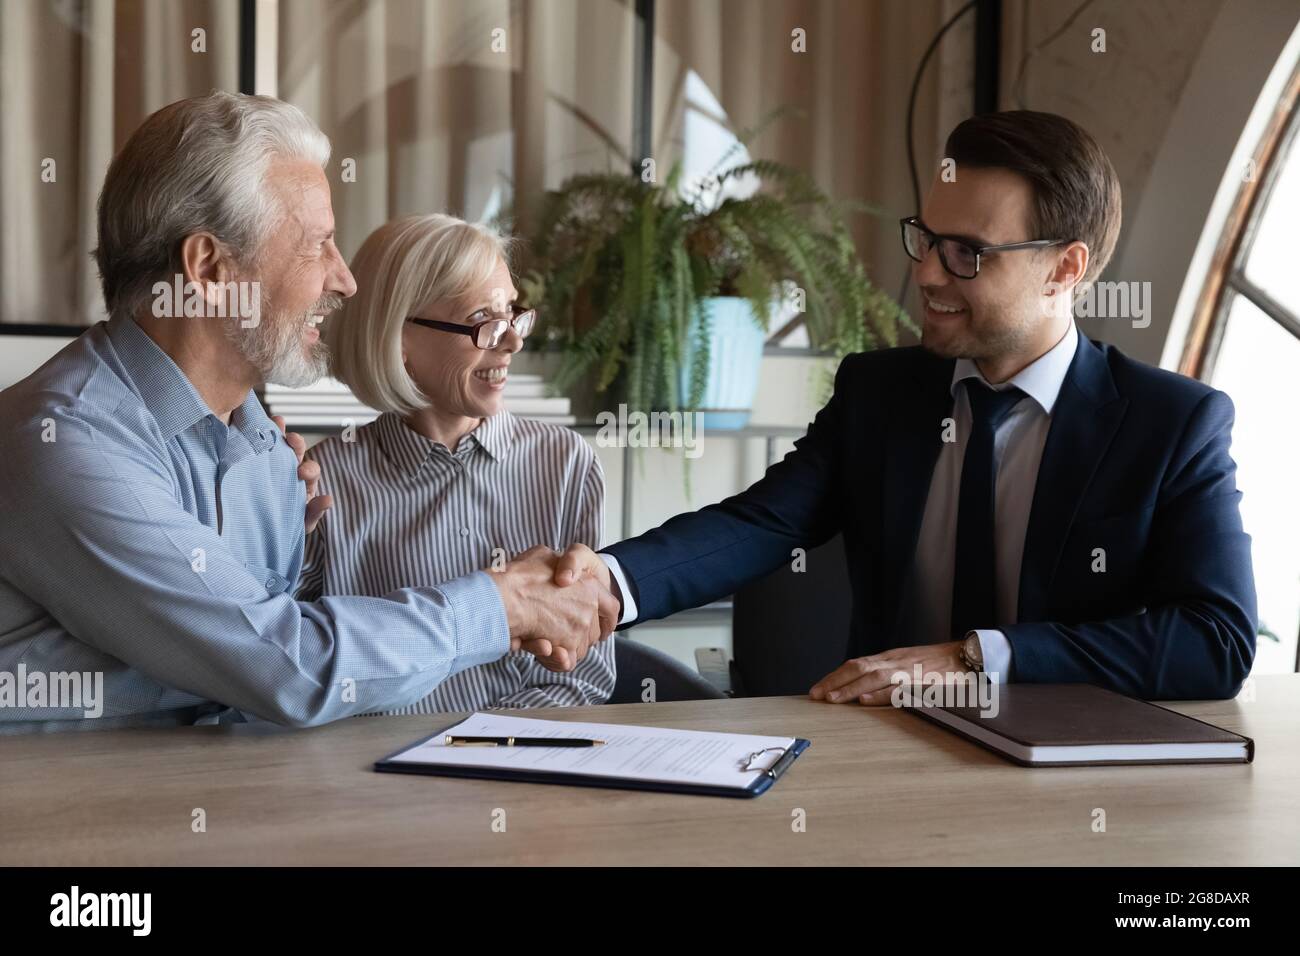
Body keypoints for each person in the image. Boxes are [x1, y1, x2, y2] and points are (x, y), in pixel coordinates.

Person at [555, 110, 1257, 703]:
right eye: (926, 238)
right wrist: (610, 584)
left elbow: (1216, 640)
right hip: (887, 757)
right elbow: (760, 524)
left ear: (1064, 270)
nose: (924, 272)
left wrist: (972, 659)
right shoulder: (880, 394)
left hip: (1074, 782)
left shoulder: (1172, 425)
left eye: (966, 254)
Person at [0, 92, 613, 733]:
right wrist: (501, 606)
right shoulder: (64, 442)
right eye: (315, 246)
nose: (344, 280)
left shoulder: (261, 440)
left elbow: (262, 663)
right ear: (209, 269)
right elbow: (293, 668)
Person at [298, 214, 614, 710]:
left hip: (523, 769)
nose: (513, 341)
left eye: (512, 313)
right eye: (482, 321)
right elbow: (295, 670)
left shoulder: (565, 463)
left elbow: (586, 675)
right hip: (375, 775)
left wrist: (481, 754)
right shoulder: (322, 483)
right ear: (398, 338)